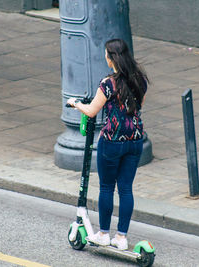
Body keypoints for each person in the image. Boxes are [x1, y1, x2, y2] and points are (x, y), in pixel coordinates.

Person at [67, 39, 148, 250]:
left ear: (112, 58)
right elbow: (136, 107)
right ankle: (121, 238)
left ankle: (103, 233)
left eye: (106, 54)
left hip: (111, 141)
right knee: (126, 189)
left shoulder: (108, 83)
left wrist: (75, 104)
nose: (105, 57)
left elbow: (92, 111)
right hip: (135, 140)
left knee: (106, 187)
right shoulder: (140, 80)